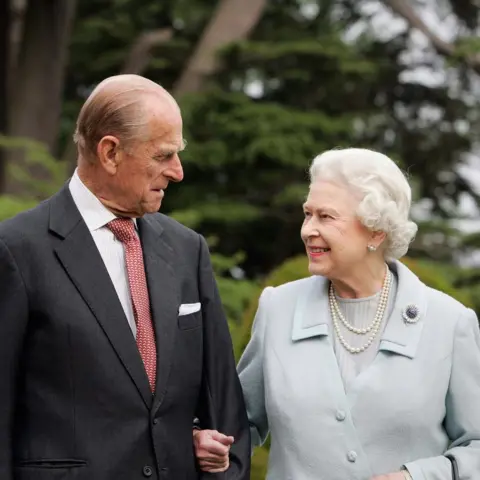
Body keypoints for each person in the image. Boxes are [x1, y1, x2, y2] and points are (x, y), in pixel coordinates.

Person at [0, 74, 250, 480]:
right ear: (111, 152)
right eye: (163, 155)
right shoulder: (15, 250)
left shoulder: (188, 251)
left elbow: (225, 412)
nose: (178, 172)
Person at [194, 148, 480, 479]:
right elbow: (237, 422)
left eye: (326, 217)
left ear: (376, 231)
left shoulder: (449, 322)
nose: (307, 230)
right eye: (307, 214)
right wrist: (206, 438)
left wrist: (415, 476)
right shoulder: (278, 308)